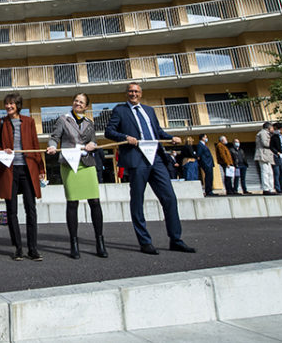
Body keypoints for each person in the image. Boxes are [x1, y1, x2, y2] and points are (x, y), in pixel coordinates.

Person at [105, 82, 195, 255]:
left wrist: (170, 138)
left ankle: (176, 239)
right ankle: (145, 242)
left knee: (169, 198)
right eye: (130, 91)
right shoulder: (120, 110)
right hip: (137, 159)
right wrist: (125, 137)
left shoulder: (149, 111)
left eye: (136, 91)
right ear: (127, 94)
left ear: (141, 93)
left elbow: (157, 133)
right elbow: (109, 131)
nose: (133, 94)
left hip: (156, 159)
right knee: (137, 201)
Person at [47, 92, 105, 259]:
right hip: (70, 165)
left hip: (87, 165)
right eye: (76, 101)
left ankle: (100, 242)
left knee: (95, 201)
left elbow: (93, 141)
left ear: (86, 106)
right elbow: (54, 137)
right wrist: (52, 146)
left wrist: (93, 144)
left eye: (81, 102)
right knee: (72, 203)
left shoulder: (89, 123)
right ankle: (74, 244)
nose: (78, 104)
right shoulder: (63, 119)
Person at [0, 93, 45, 261]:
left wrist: (41, 168)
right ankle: (18, 248)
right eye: (6, 104)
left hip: (28, 169)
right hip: (9, 169)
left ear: (18, 105)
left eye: (12, 104)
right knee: (12, 210)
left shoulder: (29, 122)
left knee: (31, 209)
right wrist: (2, 149)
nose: (8, 106)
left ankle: (33, 248)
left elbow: (36, 145)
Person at [255, 122, 276, 195]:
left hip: (267, 155)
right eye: (272, 128)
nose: (273, 129)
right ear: (268, 128)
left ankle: (271, 188)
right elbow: (265, 143)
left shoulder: (268, 134)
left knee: (270, 172)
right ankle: (266, 188)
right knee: (265, 172)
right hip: (263, 154)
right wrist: (273, 143)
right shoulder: (263, 133)